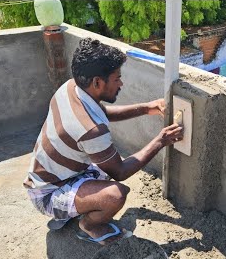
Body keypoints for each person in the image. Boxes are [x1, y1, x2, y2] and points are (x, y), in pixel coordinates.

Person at [23, 37, 184, 245]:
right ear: (97, 82)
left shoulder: (72, 87)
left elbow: (102, 113)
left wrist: (146, 108)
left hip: (55, 175)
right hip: (47, 192)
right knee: (115, 195)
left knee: (104, 166)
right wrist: (161, 140)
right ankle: (89, 225)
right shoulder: (91, 130)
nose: (121, 83)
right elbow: (120, 172)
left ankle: (74, 208)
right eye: (117, 78)